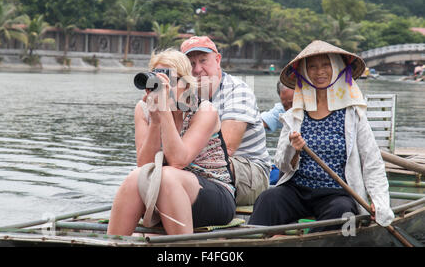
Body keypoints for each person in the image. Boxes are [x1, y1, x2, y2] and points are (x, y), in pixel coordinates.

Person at [249, 40, 395, 232]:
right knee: (268, 198)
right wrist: (294, 149)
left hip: (335, 194)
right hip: (297, 189)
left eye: (326, 65)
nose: (319, 72)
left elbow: (372, 162)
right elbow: (282, 165)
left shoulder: (352, 115)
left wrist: (379, 202)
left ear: (336, 68)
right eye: (312, 67)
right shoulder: (295, 114)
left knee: (343, 212)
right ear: (304, 72)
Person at [107, 48, 235, 236]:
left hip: (212, 192)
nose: (164, 88)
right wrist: (156, 120)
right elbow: (145, 165)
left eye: (170, 81)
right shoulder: (143, 109)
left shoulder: (205, 110)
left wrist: (164, 110)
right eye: (157, 80)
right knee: (136, 176)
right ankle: (114, 242)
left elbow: (178, 161)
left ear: (186, 84)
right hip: (165, 190)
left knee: (168, 175)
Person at [180, 36, 271, 206]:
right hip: (202, 166)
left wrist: (179, 158)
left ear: (218, 60)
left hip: (249, 172)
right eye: (191, 64)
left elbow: (227, 148)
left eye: (203, 61)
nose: (198, 69)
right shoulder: (183, 93)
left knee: (175, 166)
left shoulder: (237, 90)